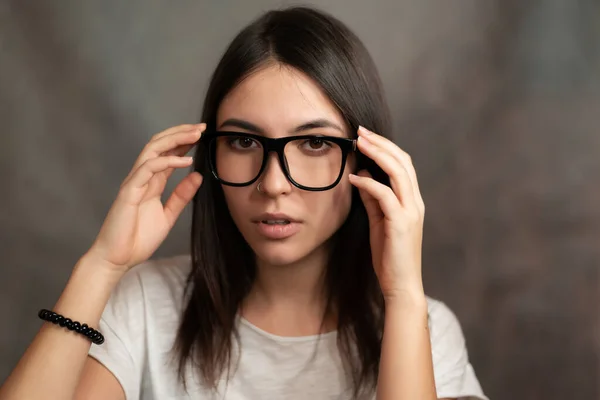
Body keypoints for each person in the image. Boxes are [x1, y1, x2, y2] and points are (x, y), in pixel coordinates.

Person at [0, 6, 488, 400]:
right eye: (243, 142)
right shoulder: (146, 305)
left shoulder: (422, 329)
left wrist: (404, 296)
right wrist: (101, 266)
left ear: (365, 163)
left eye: (315, 144)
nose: (274, 184)